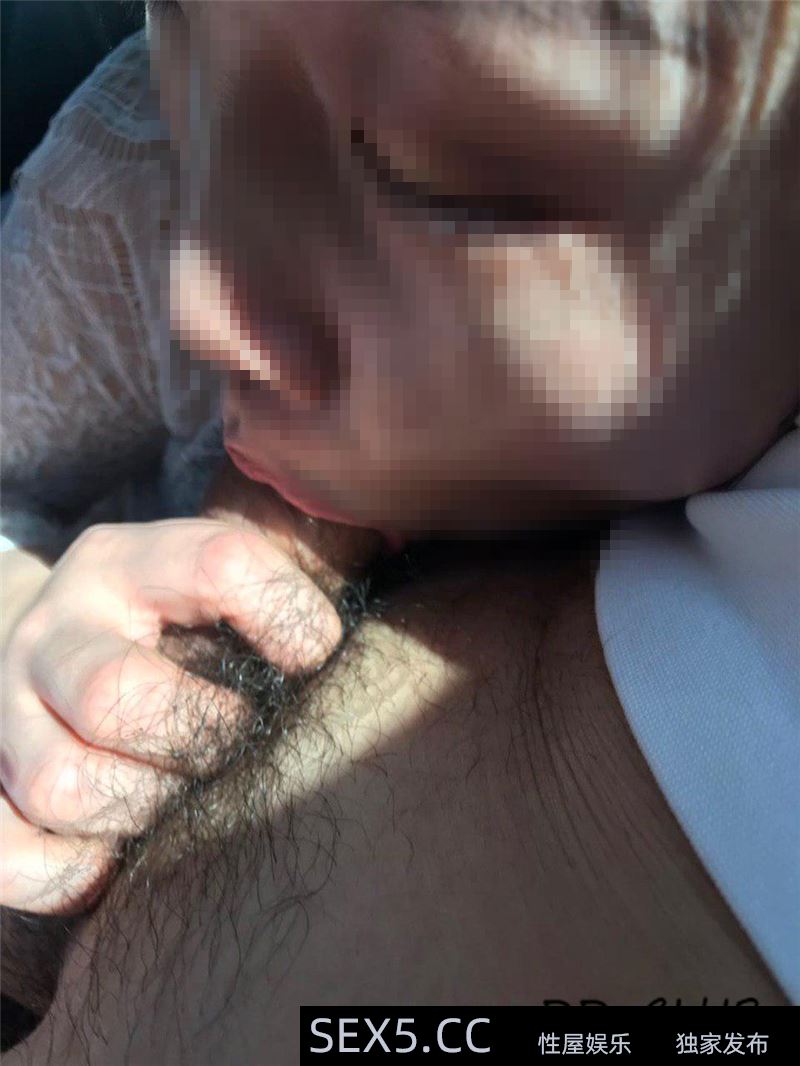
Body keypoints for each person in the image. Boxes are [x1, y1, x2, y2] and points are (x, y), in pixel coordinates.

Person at [1, 0, 797, 1028]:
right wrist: (17, 610)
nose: (199, 302)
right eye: (176, 32)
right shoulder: (129, 176)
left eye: (436, 177)